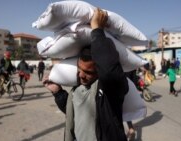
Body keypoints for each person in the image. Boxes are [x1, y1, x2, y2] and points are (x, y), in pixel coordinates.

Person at [44, 8, 129, 141]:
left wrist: (97, 30)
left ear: (99, 71)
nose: (81, 75)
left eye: (88, 72)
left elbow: (109, 73)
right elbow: (77, 113)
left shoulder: (110, 91)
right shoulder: (77, 89)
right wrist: (58, 93)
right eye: (79, 69)